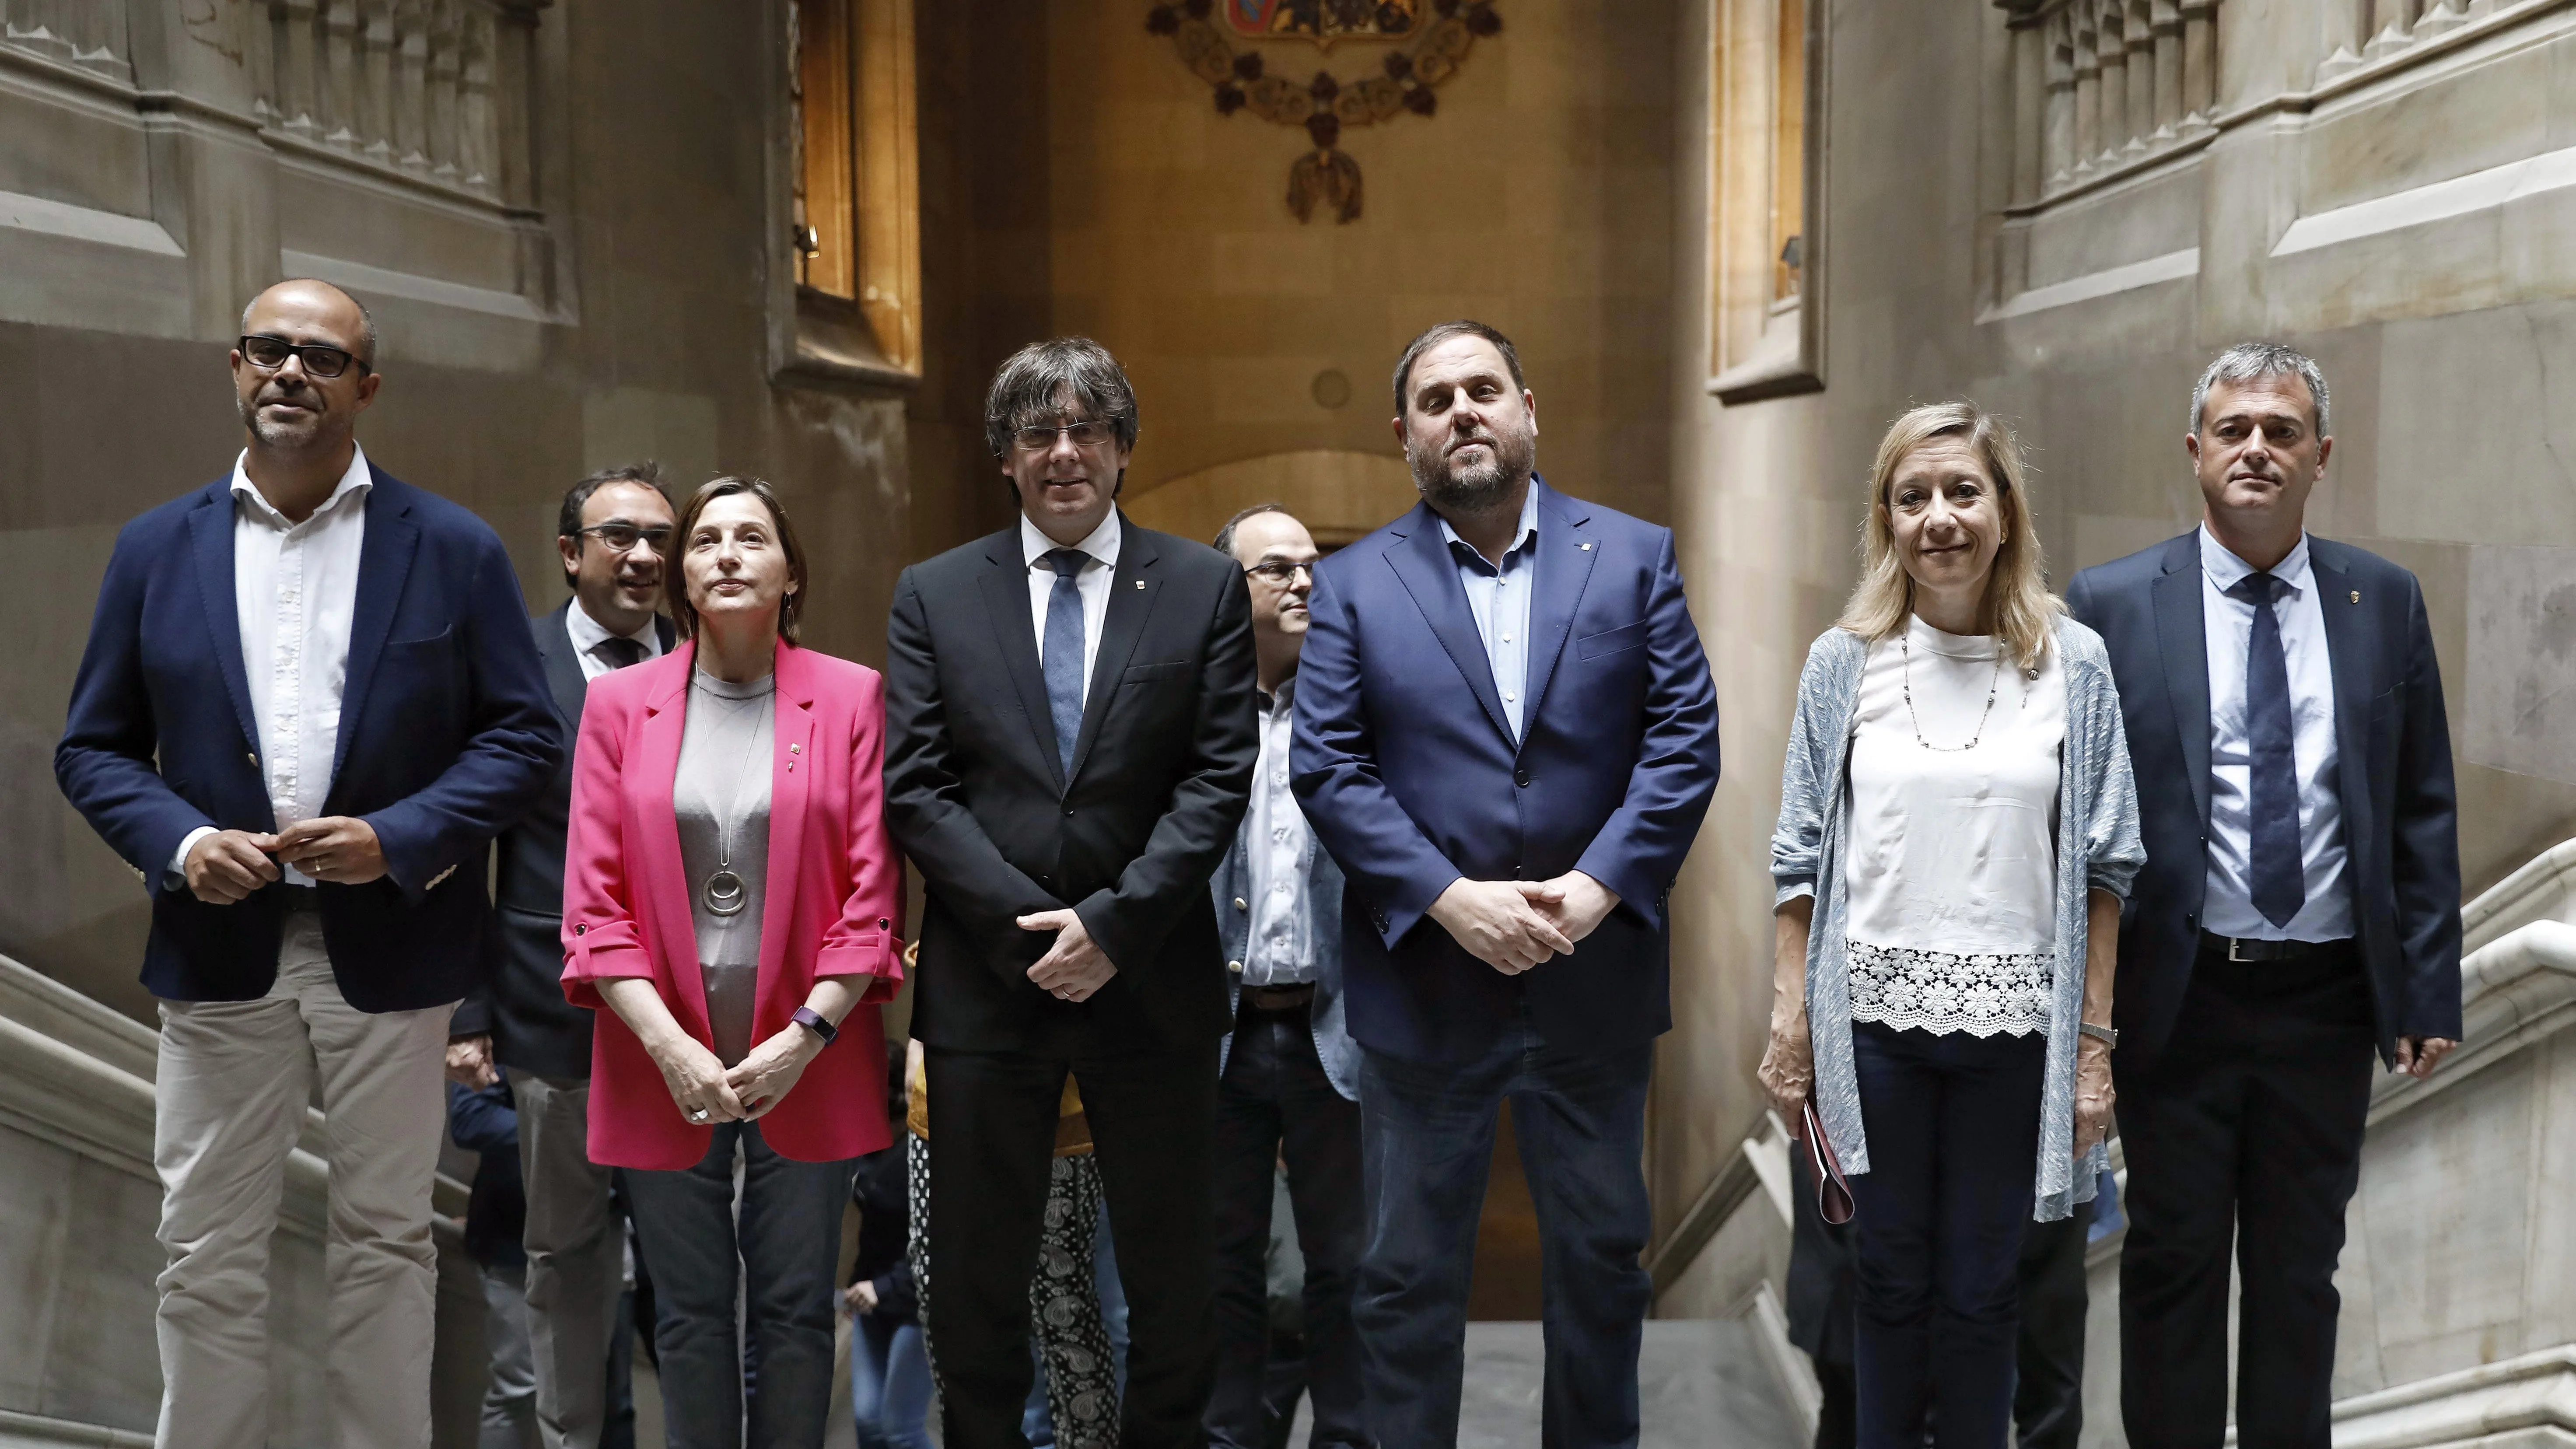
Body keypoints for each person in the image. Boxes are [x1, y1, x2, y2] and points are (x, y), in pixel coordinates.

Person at [54, 279, 561, 1449]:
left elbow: (527, 738)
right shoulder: (154, 548)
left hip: (392, 949)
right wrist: (181, 844)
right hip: (215, 950)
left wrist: (402, 838)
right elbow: (93, 748)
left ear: (365, 388)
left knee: (384, 1245)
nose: (291, 371)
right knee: (204, 1249)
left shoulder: (452, 547)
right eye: (269, 350)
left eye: (322, 358)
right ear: (236, 368)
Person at [1291, 320, 1722, 1445]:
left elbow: (1683, 740)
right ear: (1405, 437)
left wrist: (1599, 887)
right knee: (1406, 1277)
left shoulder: (1632, 556)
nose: (1463, 412)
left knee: (1600, 1264)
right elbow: (1329, 769)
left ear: (1530, 408)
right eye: (1437, 400)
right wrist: (1448, 897)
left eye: (1484, 390)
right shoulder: (1351, 584)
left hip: (1596, 980)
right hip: (1426, 986)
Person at [2065, 343, 2463, 1449]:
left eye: (2281, 431)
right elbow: (2076, 828)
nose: (2256, 449)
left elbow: (2421, 803)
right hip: (2177, 1000)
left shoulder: (2380, 598)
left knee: (2300, 1274)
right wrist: (2085, 1023)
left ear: (2320, 455)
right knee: (2171, 1264)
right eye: (2234, 429)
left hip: (2325, 1002)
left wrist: (2426, 983)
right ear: (2194, 451)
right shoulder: (2107, 605)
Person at [883, 336, 1258, 1448]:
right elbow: (917, 787)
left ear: (1124, 448)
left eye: (1087, 428)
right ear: (1003, 454)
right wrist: (1033, 933)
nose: (1063, 453)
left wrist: (1114, 925)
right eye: (1037, 432)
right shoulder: (934, 593)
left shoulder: (1201, 586)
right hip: (987, 993)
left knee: (1176, 1285)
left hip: (1153, 987)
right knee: (974, 1287)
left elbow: (1217, 776)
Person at [1756, 401, 2142, 1449]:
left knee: (1982, 1294)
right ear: (1885, 519)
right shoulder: (1844, 664)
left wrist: (2093, 1055)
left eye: (1963, 492)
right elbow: (1798, 858)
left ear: (2005, 511)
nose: (1939, 518)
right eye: (1912, 496)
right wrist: (1791, 1020)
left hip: (2015, 1037)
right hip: (1871, 1032)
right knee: (1884, 1292)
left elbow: (2108, 866)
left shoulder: (2076, 664)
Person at [560, 475, 905, 1448]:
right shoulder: (620, 707)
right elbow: (594, 903)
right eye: (706, 538)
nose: (725, 553)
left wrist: (803, 1038)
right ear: (682, 575)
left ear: (790, 572)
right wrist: (671, 1047)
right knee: (689, 1317)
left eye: (751, 537)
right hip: (656, 1049)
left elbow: (871, 901)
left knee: (797, 1314)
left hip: (814, 1047)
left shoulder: (850, 698)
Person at [448, 462, 678, 1449]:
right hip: (555, 1019)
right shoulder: (512, 667)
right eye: (619, 535)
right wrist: (468, 1016)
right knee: (562, 1267)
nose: (644, 556)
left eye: (660, 538)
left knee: (700, 1270)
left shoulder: (718, 661)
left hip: (704, 1023)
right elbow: (465, 853)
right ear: (570, 552)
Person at [1202, 503, 1368, 1449]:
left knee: (1346, 1266)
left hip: (1333, 1029)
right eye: (1277, 569)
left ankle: (1346, 1435)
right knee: (1221, 1265)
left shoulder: (1359, 709)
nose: (1305, 581)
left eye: (1312, 566)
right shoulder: (1188, 715)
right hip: (1219, 1035)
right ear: (1233, 591)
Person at [847, 1058, 931, 1449]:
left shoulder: (922, 1153)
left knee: (901, 1429)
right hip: (869, 1297)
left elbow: (938, 1238)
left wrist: (887, 1284)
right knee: (867, 1421)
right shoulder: (870, 1150)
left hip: (915, 1299)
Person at [450, 1079, 539, 1449]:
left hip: (603, 1226)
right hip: (514, 1236)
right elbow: (471, 1117)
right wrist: (570, 1129)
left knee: (600, 1393)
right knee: (520, 1388)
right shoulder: (501, 1026)